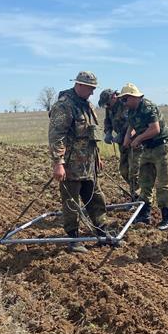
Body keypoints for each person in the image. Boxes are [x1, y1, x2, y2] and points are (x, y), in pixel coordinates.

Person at [48, 71, 109, 254]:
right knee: (71, 202)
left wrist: (97, 157)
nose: (92, 92)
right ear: (79, 85)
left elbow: (91, 134)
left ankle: (102, 232)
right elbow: (56, 136)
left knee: (96, 198)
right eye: (90, 88)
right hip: (71, 166)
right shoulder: (64, 105)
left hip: (88, 164)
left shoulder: (87, 105)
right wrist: (58, 163)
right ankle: (73, 239)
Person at [117, 83, 168, 230]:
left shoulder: (148, 107)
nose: (124, 102)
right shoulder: (131, 110)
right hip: (147, 149)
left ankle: (167, 217)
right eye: (122, 100)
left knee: (162, 182)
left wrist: (138, 139)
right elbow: (131, 125)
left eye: (125, 99)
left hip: (161, 146)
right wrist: (127, 138)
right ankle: (144, 215)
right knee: (144, 182)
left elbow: (155, 129)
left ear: (134, 97)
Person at [98, 88, 141, 199]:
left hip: (135, 142)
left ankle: (138, 197)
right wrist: (108, 133)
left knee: (134, 172)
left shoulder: (125, 104)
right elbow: (107, 121)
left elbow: (131, 123)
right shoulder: (110, 108)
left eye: (107, 103)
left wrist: (122, 135)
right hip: (122, 143)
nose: (106, 106)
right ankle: (137, 193)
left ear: (114, 97)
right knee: (124, 170)